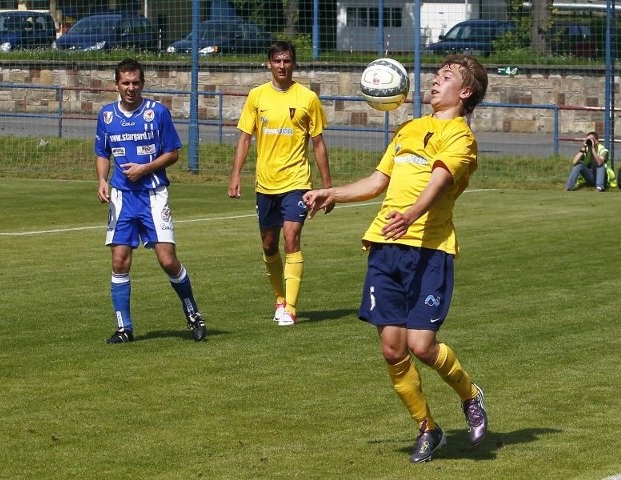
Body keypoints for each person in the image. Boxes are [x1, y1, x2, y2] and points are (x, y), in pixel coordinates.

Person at [303, 54, 489, 463]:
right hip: (385, 247)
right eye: (436, 75)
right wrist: (331, 192)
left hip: (430, 250)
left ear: (466, 91)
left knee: (421, 345)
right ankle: (428, 428)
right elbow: (377, 181)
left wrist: (410, 214)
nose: (435, 81)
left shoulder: (461, 137)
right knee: (392, 349)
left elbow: (439, 181)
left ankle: (470, 394)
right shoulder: (408, 129)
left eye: (446, 77)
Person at [95, 58, 206, 344]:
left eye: (135, 82)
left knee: (167, 260)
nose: (130, 88)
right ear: (117, 85)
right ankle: (124, 328)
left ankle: (193, 313)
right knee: (119, 261)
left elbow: (173, 153)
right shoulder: (107, 116)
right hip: (121, 198)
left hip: (153, 195)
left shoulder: (157, 113)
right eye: (125, 83)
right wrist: (102, 181)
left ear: (142, 83)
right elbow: (102, 152)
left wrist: (144, 169)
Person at [228, 41, 334, 327]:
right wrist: (236, 174)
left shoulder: (308, 98)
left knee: (291, 238)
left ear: (294, 63)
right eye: (277, 61)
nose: (282, 66)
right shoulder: (256, 96)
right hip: (266, 184)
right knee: (269, 245)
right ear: (269, 64)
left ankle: (291, 308)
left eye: (287, 61)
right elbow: (244, 137)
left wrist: (327, 187)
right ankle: (279, 298)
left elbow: (318, 144)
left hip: (297, 182)